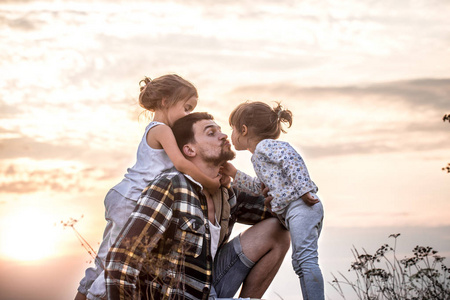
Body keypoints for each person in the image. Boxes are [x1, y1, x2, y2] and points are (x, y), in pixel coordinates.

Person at [105, 112, 290, 300]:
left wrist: (274, 189)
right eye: (211, 133)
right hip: (173, 295)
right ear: (189, 150)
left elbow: (289, 212)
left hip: (211, 289)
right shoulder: (171, 185)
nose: (224, 135)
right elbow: (122, 261)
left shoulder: (227, 193)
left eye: (220, 131)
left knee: (278, 229)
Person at [75, 75, 222, 300]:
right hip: (131, 197)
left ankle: (82, 293)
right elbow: (182, 164)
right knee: (118, 255)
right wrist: (210, 183)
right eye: (186, 107)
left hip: (126, 195)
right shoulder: (162, 130)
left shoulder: (159, 130)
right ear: (165, 101)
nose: (188, 114)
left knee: (105, 254)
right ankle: (96, 296)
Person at [222, 101, 325, 300]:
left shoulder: (265, 147)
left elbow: (291, 160)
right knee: (301, 263)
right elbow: (259, 188)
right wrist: (234, 173)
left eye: (232, 129)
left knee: (306, 261)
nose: (231, 135)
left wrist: (304, 190)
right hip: (297, 209)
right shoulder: (260, 156)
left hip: (301, 206)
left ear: (243, 130)